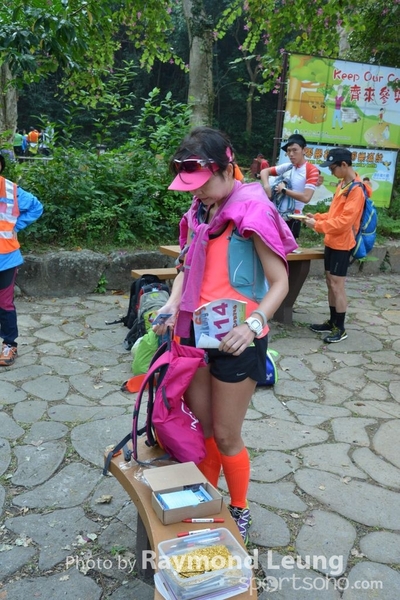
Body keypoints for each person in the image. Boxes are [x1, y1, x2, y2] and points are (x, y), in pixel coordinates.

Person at [152, 126, 297, 544]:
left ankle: (239, 508)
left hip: (239, 339)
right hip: (196, 336)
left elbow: (280, 283)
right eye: (190, 186)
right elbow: (186, 267)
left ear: (226, 168)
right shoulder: (199, 213)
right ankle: (207, 502)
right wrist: (170, 304)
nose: (196, 193)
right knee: (206, 429)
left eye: (202, 184)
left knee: (228, 434)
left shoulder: (253, 210)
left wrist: (252, 326)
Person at [304, 147, 370, 343]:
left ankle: (340, 328)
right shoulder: (343, 184)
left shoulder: (356, 190)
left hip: (343, 244)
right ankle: (332, 322)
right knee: (330, 282)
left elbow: (344, 222)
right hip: (331, 241)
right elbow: (335, 214)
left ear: (344, 165)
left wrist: (317, 225)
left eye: (333, 168)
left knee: (337, 285)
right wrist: (317, 217)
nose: (331, 172)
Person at [0, 153, 43, 366]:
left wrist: (16, 226)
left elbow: (36, 207)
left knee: (4, 303)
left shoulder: (11, 190)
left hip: (5, 259)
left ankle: (10, 344)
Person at [260, 134, 319, 239]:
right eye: (288, 151)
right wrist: (266, 186)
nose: (291, 154)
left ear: (304, 150)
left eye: (295, 150)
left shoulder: (312, 170)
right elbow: (264, 171)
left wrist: (284, 190)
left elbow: (306, 197)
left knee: (286, 249)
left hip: (293, 218)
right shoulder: (288, 167)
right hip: (275, 216)